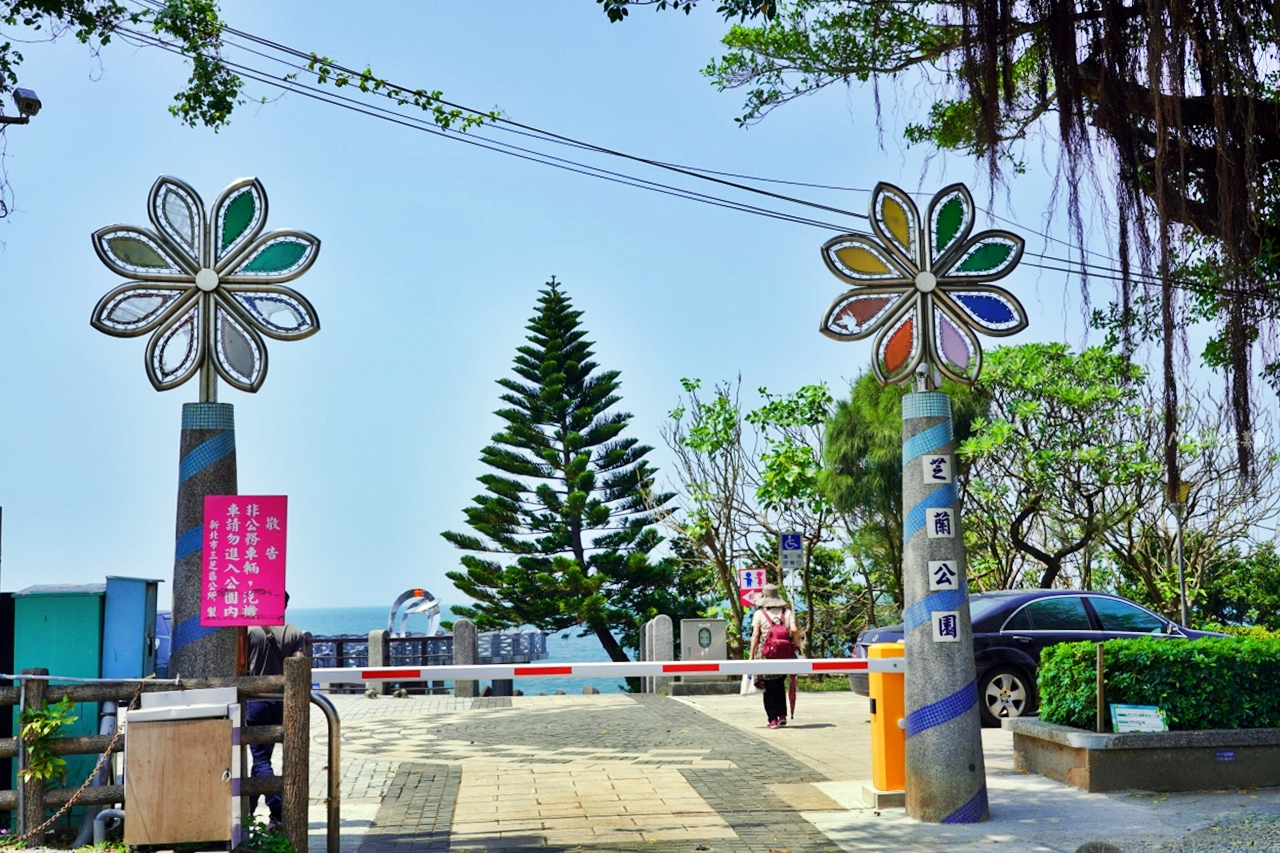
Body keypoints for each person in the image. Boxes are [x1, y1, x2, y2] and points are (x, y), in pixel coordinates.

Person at [245, 600, 306, 825]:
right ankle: (248, 811)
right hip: (281, 701)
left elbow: (240, 666)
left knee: (260, 759)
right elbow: (299, 666)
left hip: (256, 700)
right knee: (262, 758)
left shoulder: (249, 631)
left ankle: (278, 809)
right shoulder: (294, 632)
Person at [749, 583, 798, 729]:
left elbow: (756, 635)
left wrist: (751, 655)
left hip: (766, 655)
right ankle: (782, 715)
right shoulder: (786, 612)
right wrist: (795, 644)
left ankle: (773, 719)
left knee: (768, 688)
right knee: (779, 685)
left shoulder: (759, 614)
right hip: (783, 655)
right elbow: (794, 629)